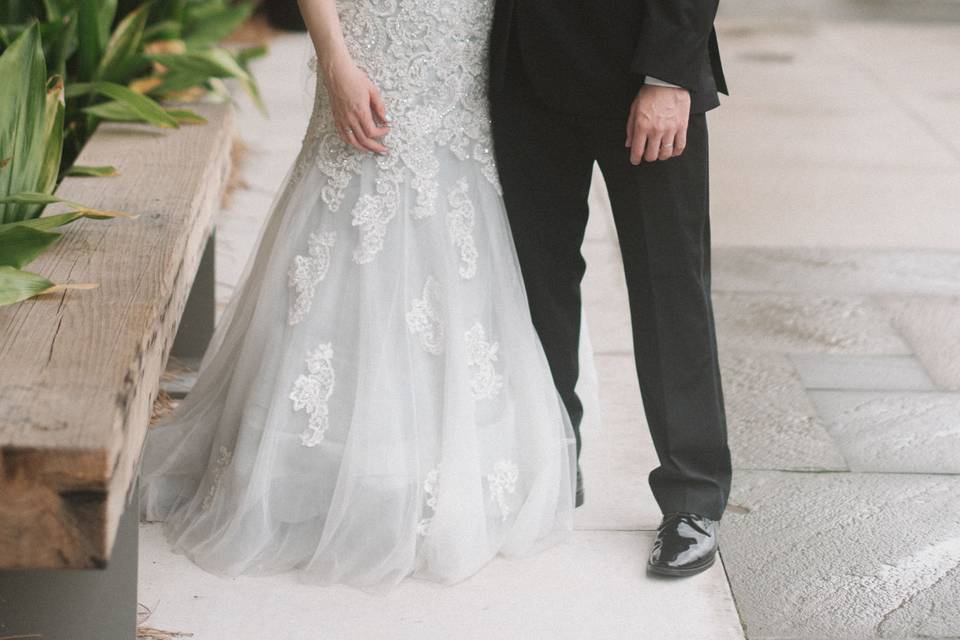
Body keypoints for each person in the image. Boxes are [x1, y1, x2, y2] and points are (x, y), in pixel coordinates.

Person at [137, 0, 579, 590]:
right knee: (356, 200)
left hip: (461, 39)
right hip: (372, 35)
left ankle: (425, 455)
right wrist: (334, 58)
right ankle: (324, 464)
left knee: (451, 207)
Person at [488, 0, 733, 577]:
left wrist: (669, 75)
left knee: (669, 286)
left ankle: (692, 499)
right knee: (534, 280)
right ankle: (552, 460)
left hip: (642, 71)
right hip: (524, 71)